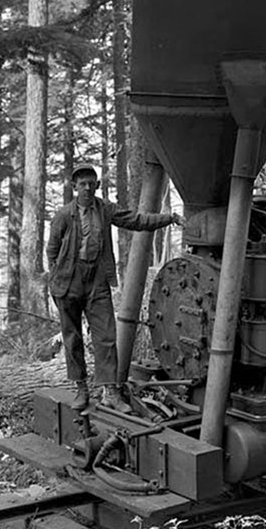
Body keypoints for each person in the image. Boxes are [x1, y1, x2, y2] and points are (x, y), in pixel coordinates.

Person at [46, 163, 181, 412]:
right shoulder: (64, 215)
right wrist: (58, 279)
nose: (86, 188)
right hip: (68, 283)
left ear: (96, 186)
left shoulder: (105, 209)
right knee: (72, 338)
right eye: (82, 183)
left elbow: (137, 220)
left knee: (107, 337)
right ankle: (81, 389)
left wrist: (169, 218)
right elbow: (51, 250)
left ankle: (110, 393)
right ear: (74, 187)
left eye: (91, 183)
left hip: (96, 280)